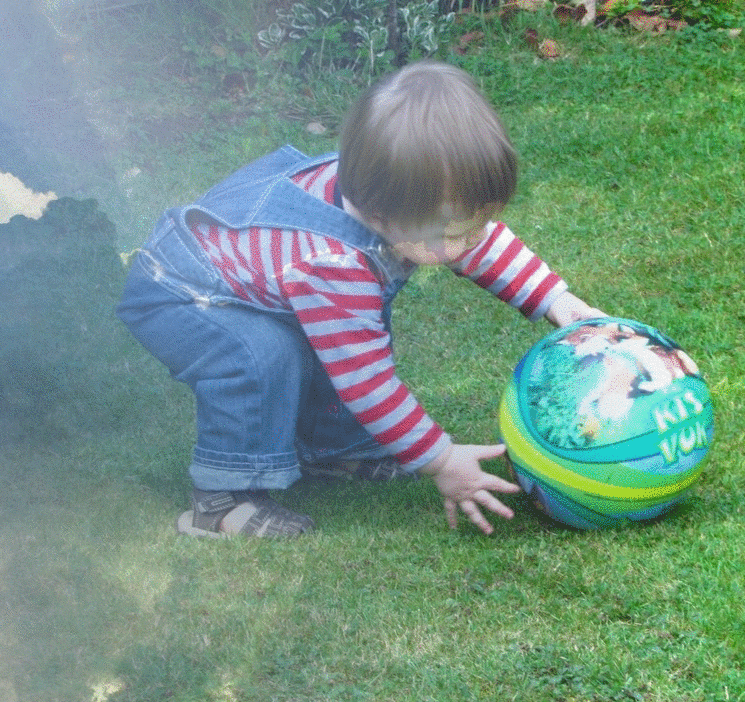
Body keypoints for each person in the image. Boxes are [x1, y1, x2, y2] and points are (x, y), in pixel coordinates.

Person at [115, 60, 605, 538]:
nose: (460, 249)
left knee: (323, 344)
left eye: (471, 228)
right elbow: (366, 379)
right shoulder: (334, 266)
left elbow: (480, 242)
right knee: (261, 359)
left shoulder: (402, 195)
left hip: (250, 280)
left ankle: (335, 451)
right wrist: (440, 459)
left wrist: (557, 301)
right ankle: (220, 500)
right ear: (377, 215)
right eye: (448, 236)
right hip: (183, 293)